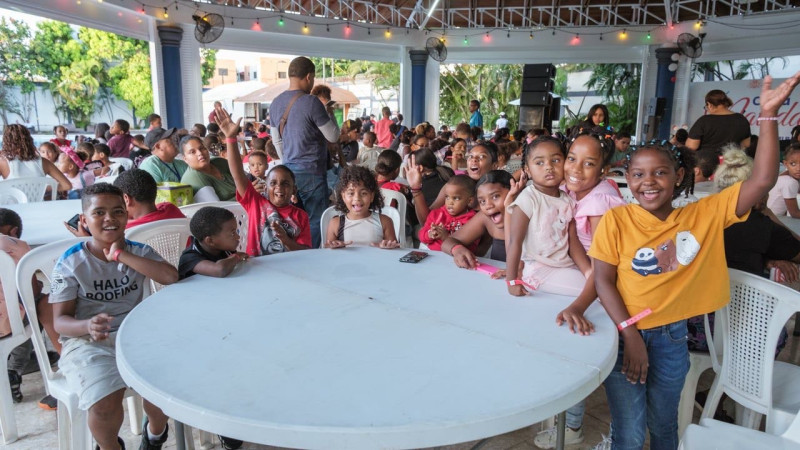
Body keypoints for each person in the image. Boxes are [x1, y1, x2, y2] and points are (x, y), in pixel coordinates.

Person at [587, 73, 800, 450]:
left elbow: (764, 179)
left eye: (659, 172)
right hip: (625, 334)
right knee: (631, 434)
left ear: (679, 175)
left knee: (665, 427)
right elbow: (603, 280)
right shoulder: (617, 219)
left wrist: (768, 117)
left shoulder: (703, 214)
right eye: (637, 174)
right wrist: (630, 334)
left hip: (672, 337)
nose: (647, 182)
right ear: (627, 178)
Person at [50, 183, 179, 450]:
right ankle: (110, 446)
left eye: (118, 211)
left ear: (126, 216)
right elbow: (60, 321)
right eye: (99, 213)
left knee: (161, 389)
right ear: (84, 220)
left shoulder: (139, 251)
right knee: (104, 403)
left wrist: (121, 254)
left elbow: (170, 276)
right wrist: (87, 324)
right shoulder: (70, 262)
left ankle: (155, 435)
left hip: (136, 334)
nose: (109, 218)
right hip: (87, 341)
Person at [531, 134, 624, 449]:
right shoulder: (573, 192)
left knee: (573, 345)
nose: (576, 169)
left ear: (603, 170)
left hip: (606, 286)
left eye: (589, 163)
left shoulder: (600, 202)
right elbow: (572, 239)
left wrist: (581, 302)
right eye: (571, 158)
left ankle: (571, 426)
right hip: (586, 276)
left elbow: (605, 266)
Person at [504, 136, 592, 298]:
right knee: (596, 291)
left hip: (565, 266)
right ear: (528, 170)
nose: (549, 167)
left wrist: (588, 271)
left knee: (598, 282)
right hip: (539, 270)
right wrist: (511, 281)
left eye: (556, 160)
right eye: (539, 163)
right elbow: (514, 242)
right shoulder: (528, 199)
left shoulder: (567, 200)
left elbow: (572, 242)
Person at [217, 108, 311, 255]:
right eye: (273, 183)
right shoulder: (256, 202)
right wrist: (230, 138)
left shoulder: (300, 216)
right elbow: (237, 174)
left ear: (294, 189)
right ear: (265, 187)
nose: (279, 187)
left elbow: (306, 252)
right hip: (257, 267)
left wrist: (285, 240)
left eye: (285, 184)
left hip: (289, 269)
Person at [269, 57, 340, 249]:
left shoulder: (275, 103)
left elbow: (277, 140)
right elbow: (333, 136)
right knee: (316, 221)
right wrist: (329, 112)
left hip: (288, 174)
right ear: (309, 77)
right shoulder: (312, 102)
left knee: (292, 221)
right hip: (312, 172)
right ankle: (313, 259)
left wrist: (289, 163)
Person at [442, 170, 524, 266]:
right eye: (482, 201)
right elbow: (447, 242)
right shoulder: (486, 218)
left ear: (514, 192)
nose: (488, 205)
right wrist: (457, 249)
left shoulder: (528, 216)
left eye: (495, 196)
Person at [409, 143, 497, 224]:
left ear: (494, 166)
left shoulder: (499, 191)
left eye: (481, 156)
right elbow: (427, 220)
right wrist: (416, 189)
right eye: (470, 156)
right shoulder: (455, 185)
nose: (474, 160)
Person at [325, 165, 400, 249]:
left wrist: (388, 248)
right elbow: (328, 254)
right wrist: (335, 248)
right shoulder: (335, 224)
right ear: (343, 197)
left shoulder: (385, 222)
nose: (357, 198)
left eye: (363, 193)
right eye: (351, 193)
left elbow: (395, 253)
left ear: (372, 196)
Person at [0, 124, 72, 194]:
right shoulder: (44, 162)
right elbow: (67, 185)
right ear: (29, 140)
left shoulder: (2, 162)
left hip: (13, 205)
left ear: (6, 142)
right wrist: (43, 188)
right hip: (38, 205)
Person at [419, 175, 478, 252]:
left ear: (469, 200)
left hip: (454, 259)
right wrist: (430, 234)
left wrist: (447, 238)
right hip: (430, 254)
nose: (450, 202)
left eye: (456, 198)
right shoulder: (436, 214)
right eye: (447, 197)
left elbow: (472, 248)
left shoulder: (473, 220)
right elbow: (421, 234)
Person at [686, 89, 751, 154]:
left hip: (707, 162)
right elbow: (746, 144)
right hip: (733, 162)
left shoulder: (704, 121)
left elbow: (691, 146)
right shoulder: (741, 119)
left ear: (709, 104)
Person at [180, 137, 236, 202]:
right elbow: (215, 208)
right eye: (192, 152)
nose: (200, 153)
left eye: (202, 148)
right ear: (185, 159)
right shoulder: (193, 177)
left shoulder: (220, 162)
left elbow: (244, 183)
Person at [766, 142, 800, 217]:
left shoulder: (784, 176)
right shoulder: (789, 182)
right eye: (793, 164)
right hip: (773, 219)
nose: (798, 169)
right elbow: (794, 213)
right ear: (785, 164)